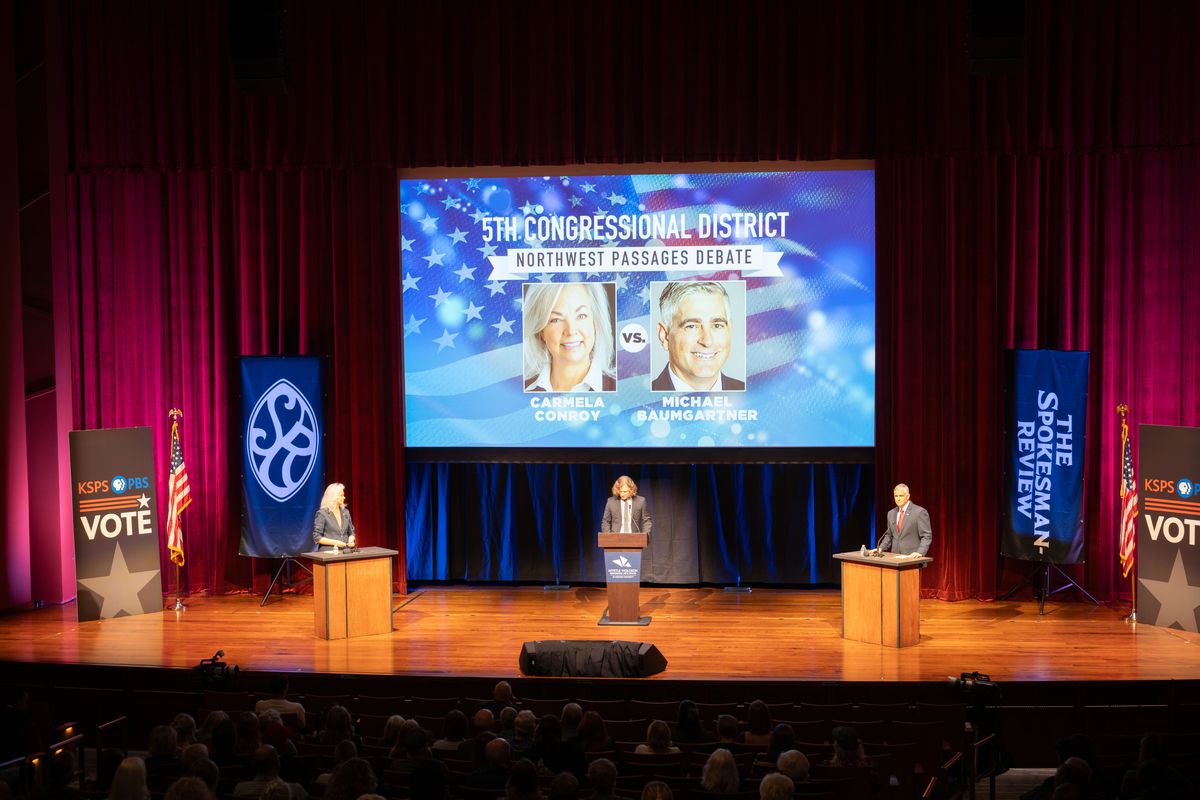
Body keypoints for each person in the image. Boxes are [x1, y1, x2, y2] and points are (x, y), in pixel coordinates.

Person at [652, 281, 745, 392]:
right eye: (691, 326)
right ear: (665, 335)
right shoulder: (640, 401)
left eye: (717, 325)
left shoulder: (755, 393)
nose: (707, 341)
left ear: (729, 330)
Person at [523, 282, 616, 392]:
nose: (571, 331)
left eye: (581, 316)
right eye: (556, 320)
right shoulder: (518, 391)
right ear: (541, 331)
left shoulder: (623, 390)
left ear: (595, 323)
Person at [877, 483, 932, 556]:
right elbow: (889, 535)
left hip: (912, 558)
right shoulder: (891, 513)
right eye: (896, 496)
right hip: (895, 558)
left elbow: (926, 536)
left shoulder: (919, 512)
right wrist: (880, 548)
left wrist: (920, 552)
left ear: (908, 496)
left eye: (901, 496)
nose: (898, 499)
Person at [312, 483, 356, 551]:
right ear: (333, 496)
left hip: (345, 551)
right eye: (341, 495)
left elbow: (351, 532)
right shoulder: (322, 514)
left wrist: (351, 540)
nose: (344, 497)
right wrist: (336, 543)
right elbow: (317, 537)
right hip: (328, 553)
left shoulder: (346, 512)